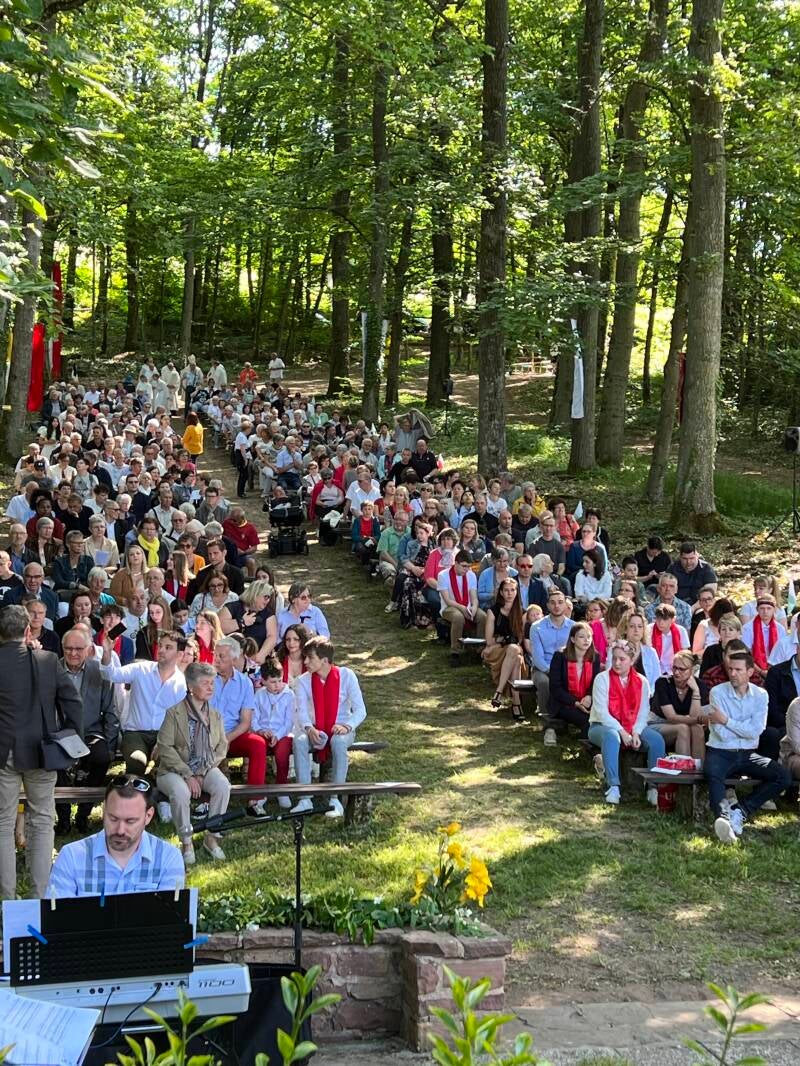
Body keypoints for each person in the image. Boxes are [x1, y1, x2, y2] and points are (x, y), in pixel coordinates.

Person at [0, 606, 82, 899]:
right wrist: (71, 738)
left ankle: (7, 899)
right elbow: (73, 701)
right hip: (41, 750)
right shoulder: (47, 660)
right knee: (42, 820)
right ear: (27, 630)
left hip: (4, 753)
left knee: (3, 824)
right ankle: (40, 897)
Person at [702, 648, 792, 844]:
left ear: (750, 672)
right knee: (713, 774)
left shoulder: (761, 695)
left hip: (749, 754)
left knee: (783, 776)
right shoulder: (717, 692)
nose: (733, 673)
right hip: (721, 751)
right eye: (730, 669)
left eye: (738, 670)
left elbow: (756, 731)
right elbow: (721, 734)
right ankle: (723, 820)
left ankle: (741, 811)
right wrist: (738, 728)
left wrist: (726, 720)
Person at [46, 775, 185, 896]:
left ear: (148, 816)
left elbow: (171, 916)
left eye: (130, 821)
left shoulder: (168, 858)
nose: (120, 830)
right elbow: (57, 917)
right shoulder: (71, 857)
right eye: (113, 819)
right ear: (104, 810)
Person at [156, 661, 230, 867]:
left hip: (204, 768)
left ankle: (211, 837)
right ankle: (187, 842)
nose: (210, 687)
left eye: (212, 683)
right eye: (205, 683)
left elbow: (222, 747)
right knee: (181, 792)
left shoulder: (215, 715)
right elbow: (165, 747)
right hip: (173, 770)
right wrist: (188, 774)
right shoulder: (174, 713)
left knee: (222, 786)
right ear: (190, 686)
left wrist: (201, 771)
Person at [290, 636, 367, 819]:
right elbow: (301, 712)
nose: (305, 662)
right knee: (300, 740)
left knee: (339, 742)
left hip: (341, 729)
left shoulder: (347, 676)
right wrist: (309, 728)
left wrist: (347, 726)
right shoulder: (303, 681)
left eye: (310, 658)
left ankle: (335, 799)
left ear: (324, 660)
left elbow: (360, 710)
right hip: (315, 729)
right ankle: (305, 799)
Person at [100, 628, 188, 780]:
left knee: (168, 762)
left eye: (168, 647)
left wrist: (163, 742)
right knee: (137, 762)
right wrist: (107, 651)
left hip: (163, 735)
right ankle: (134, 790)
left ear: (180, 654)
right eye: (160, 645)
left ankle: (157, 789)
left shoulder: (181, 682)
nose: (161, 650)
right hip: (135, 733)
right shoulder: (141, 669)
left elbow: (178, 720)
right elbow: (109, 674)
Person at [56, 626, 118, 835]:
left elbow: (110, 710)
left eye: (78, 649)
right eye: (68, 648)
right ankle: (63, 817)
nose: (73, 653)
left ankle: (83, 813)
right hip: (61, 733)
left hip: (91, 732)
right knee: (53, 761)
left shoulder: (99, 671)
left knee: (102, 757)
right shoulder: (52, 670)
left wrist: (110, 745)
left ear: (89, 649)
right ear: (62, 648)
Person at [588, 639, 666, 806]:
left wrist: (636, 732)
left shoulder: (642, 681)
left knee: (656, 740)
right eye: (614, 658)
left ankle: (653, 787)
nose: (617, 663)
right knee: (612, 736)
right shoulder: (602, 679)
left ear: (631, 660)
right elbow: (602, 712)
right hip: (601, 725)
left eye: (622, 659)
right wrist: (622, 732)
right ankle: (613, 786)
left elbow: (643, 712)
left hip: (634, 726)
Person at [251, 656, 295, 811]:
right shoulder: (259, 695)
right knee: (258, 749)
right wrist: (261, 730)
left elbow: (289, 722)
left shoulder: (289, 695)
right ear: (263, 681)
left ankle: (281, 787)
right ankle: (259, 790)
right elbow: (254, 718)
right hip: (263, 733)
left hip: (282, 733)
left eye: (280, 680)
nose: (277, 685)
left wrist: (278, 735)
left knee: (282, 753)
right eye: (273, 682)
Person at [547, 622, 601, 742]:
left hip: (586, 702)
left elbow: (596, 682)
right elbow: (555, 687)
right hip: (564, 703)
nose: (586, 640)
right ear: (572, 639)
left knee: (600, 719)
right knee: (588, 721)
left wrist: (589, 696)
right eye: (582, 637)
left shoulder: (595, 657)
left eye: (589, 636)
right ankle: (584, 743)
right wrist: (575, 703)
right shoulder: (560, 656)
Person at [651, 650, 710, 761]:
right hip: (659, 723)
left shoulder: (699, 685)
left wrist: (696, 691)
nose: (677, 672)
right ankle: (684, 769)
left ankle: (698, 768)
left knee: (697, 728)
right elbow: (671, 717)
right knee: (683, 728)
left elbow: (695, 716)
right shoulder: (663, 683)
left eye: (682, 669)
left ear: (692, 670)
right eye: (674, 668)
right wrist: (699, 720)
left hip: (686, 724)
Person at [482, 579, 527, 720]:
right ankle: (516, 703)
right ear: (501, 592)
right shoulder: (493, 611)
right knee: (517, 658)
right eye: (506, 590)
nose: (509, 593)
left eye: (513, 590)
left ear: (517, 592)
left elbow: (519, 639)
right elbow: (489, 640)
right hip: (497, 652)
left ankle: (499, 692)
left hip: (513, 648)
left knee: (514, 649)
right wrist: (505, 640)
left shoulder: (522, 612)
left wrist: (502, 640)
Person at [529, 589, 574, 718]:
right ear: (548, 605)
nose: (556, 606)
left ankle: (570, 714)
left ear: (565, 605)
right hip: (542, 669)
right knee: (544, 682)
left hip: (566, 668)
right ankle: (546, 715)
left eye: (560, 602)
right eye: (553, 603)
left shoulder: (574, 627)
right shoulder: (537, 627)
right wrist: (553, 672)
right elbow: (538, 658)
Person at [439, 551, 486, 667]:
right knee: (458, 617)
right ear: (456, 563)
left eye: (469, 566)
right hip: (449, 607)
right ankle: (455, 652)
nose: (467, 569)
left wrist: (474, 607)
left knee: (482, 616)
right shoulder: (443, 575)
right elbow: (447, 600)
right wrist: (462, 608)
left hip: (467, 606)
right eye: (464, 566)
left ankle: (479, 649)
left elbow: (474, 597)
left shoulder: (471, 575)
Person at [741, 595, 782, 681]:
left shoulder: (780, 629)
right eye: (762, 608)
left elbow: (781, 653)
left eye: (769, 608)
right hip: (754, 670)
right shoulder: (747, 628)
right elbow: (746, 654)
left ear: (774, 609)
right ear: (757, 609)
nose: (765, 612)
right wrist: (760, 671)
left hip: (776, 669)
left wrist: (773, 670)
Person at [649, 603, 690, 676]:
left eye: (665, 619)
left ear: (673, 619)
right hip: (654, 669)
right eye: (658, 618)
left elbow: (685, 654)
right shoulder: (649, 629)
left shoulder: (681, 630)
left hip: (674, 670)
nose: (661, 622)